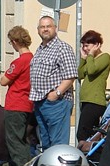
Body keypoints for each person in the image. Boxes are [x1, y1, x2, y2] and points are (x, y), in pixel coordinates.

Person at [29, 15, 78, 150]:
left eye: (48, 26)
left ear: (55, 28)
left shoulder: (62, 48)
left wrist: (56, 93)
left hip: (56, 103)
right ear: (38, 30)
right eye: (42, 27)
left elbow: (71, 75)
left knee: (58, 145)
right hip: (40, 102)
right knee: (46, 144)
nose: (45, 29)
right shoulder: (40, 49)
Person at [0, 26, 34, 166]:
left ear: (14, 41)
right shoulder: (34, 59)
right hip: (29, 103)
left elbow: (3, 81)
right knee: (24, 139)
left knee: (13, 139)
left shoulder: (19, 61)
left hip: (16, 103)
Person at [76, 30, 110, 142]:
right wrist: (83, 59)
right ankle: (92, 156)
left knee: (82, 133)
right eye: (83, 46)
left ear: (96, 45)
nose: (85, 48)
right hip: (86, 101)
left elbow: (91, 71)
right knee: (90, 134)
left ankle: (85, 154)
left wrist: (90, 55)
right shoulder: (90, 60)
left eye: (87, 45)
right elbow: (80, 74)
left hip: (95, 102)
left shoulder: (104, 57)